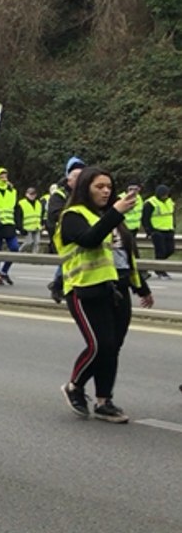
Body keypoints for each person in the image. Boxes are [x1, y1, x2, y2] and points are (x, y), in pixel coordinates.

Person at [57, 167, 152, 423]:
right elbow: (89, 239)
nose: (106, 191)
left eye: (109, 186)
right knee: (101, 345)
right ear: (85, 188)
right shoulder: (73, 215)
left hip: (116, 289)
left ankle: (103, 401)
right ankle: (74, 386)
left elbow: (123, 257)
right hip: (85, 289)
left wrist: (140, 287)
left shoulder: (113, 219)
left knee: (113, 348)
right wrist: (115, 213)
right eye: (99, 186)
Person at [46, 158, 87, 302]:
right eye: (77, 177)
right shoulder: (59, 194)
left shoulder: (85, 193)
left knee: (72, 261)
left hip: (80, 232)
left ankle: (61, 286)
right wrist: (73, 216)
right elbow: (53, 214)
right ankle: (58, 286)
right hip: (64, 234)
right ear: (70, 179)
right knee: (68, 260)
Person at [0, 167, 20, 284]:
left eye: (5, 175)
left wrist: (19, 224)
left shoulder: (12, 189)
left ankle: (4, 271)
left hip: (9, 224)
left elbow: (15, 208)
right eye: (1, 176)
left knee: (15, 249)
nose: (4, 178)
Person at [142, 184, 175, 278]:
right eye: (164, 195)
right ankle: (160, 271)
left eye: (167, 194)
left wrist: (173, 226)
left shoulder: (169, 201)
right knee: (160, 251)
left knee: (170, 250)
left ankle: (157, 265)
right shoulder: (150, 203)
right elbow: (145, 218)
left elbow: (171, 214)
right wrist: (149, 231)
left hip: (168, 229)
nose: (165, 196)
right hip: (157, 231)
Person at [17, 187, 44, 253]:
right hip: (27, 227)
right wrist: (20, 227)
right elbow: (18, 216)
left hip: (36, 226)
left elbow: (41, 214)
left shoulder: (38, 203)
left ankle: (35, 258)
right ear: (26, 194)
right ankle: (18, 252)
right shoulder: (22, 203)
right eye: (30, 194)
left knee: (37, 243)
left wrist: (42, 223)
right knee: (29, 242)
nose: (32, 196)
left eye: (34, 194)